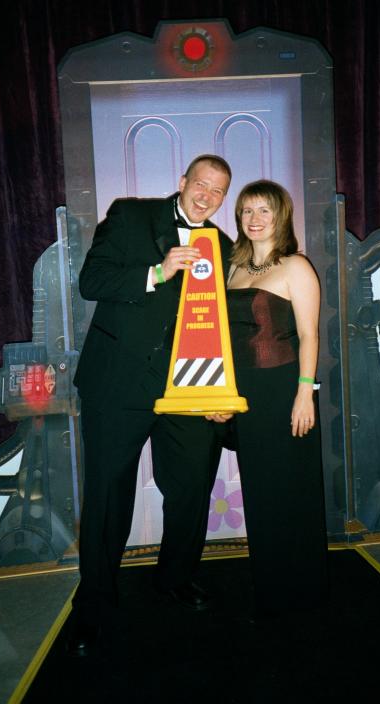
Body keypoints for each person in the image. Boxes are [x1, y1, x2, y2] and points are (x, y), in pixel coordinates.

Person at [67, 154, 233, 656]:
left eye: (218, 191)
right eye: (200, 184)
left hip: (189, 389)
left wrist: (221, 390)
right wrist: (156, 272)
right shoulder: (131, 215)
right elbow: (91, 282)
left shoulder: (223, 247)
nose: (207, 196)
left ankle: (175, 577)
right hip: (119, 384)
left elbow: (223, 326)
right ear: (182, 182)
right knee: (107, 496)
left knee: (191, 487)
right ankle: (93, 605)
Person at [213, 179, 328, 624]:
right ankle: (271, 586)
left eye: (264, 210)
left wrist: (305, 394)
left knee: (291, 490)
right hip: (246, 395)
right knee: (260, 492)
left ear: (281, 217)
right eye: (247, 211)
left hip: (284, 390)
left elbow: (309, 335)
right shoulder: (233, 269)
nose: (254, 219)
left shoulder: (296, 266)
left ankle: (303, 590)